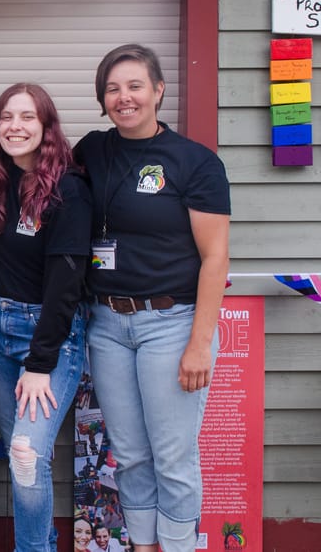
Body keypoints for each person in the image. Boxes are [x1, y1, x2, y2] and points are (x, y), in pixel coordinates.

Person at [74, 44, 230, 552]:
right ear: (102, 98)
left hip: (171, 323)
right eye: (113, 88)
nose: (124, 97)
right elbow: (29, 158)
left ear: (158, 90)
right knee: (130, 453)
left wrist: (199, 343)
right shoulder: (92, 151)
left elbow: (215, 258)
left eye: (135, 86)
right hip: (107, 325)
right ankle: (142, 546)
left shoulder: (195, 163)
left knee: (173, 455)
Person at [0, 83, 92, 552]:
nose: (16, 127)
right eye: (7, 117)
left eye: (27, 117)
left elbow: (67, 283)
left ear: (46, 127)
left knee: (26, 455)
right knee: (20, 456)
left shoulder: (68, 189)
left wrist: (41, 362)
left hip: (49, 335)